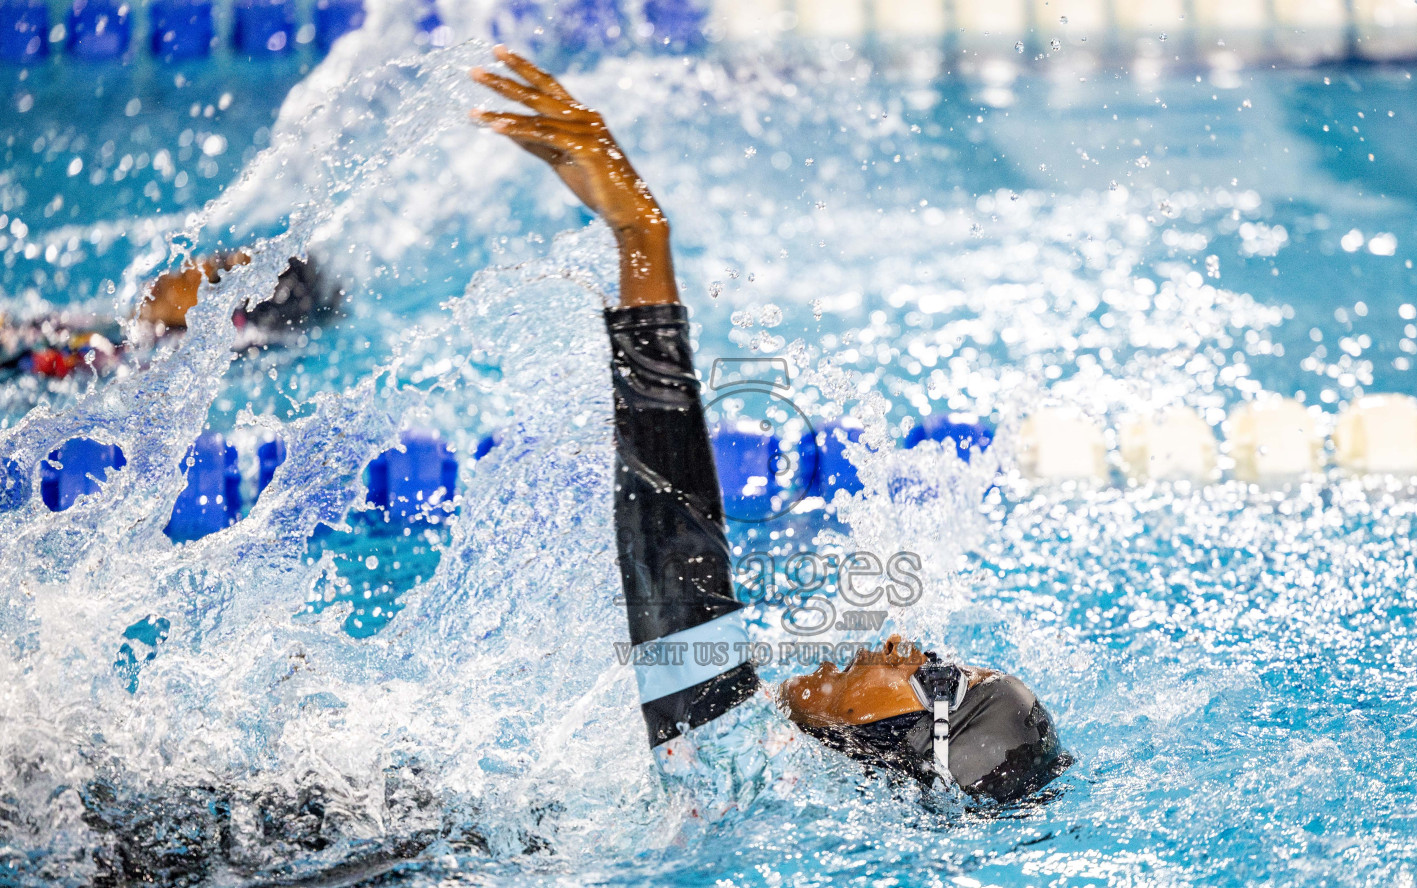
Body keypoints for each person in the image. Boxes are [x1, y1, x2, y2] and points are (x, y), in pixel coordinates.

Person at [471, 48, 1065, 806]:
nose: (899, 643)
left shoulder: (732, 777)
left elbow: (670, 544)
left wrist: (641, 239)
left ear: (905, 745)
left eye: (935, 674)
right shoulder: (757, 796)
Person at [0, 252, 336, 382]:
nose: (191, 266)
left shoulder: (146, 351)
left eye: (212, 272)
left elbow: (39, 360)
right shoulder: (136, 329)